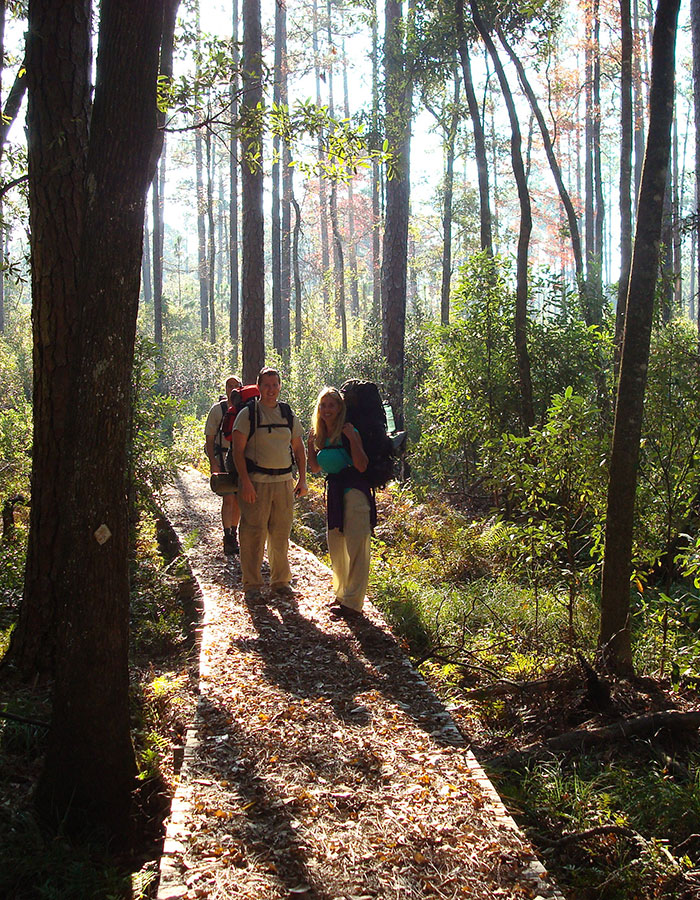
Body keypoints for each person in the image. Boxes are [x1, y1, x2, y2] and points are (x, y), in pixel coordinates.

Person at [232, 367, 307, 600]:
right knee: (253, 533)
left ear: (280, 386)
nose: (271, 390)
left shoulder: (287, 413)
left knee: (281, 533)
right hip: (257, 482)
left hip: (284, 482)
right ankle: (252, 585)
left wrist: (302, 478)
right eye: (266, 385)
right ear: (259, 387)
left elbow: (298, 447)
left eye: (275, 385)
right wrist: (245, 482)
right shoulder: (249, 414)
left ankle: (281, 581)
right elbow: (238, 449)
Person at [307, 386, 375, 619]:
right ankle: (341, 594)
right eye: (323, 405)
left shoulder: (348, 430)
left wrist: (354, 439)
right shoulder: (322, 435)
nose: (327, 410)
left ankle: (353, 604)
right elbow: (315, 468)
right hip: (336, 493)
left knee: (357, 546)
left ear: (340, 408)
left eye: (332, 405)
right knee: (336, 544)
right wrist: (309, 447)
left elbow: (362, 465)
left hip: (354, 492)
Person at [205, 375, 242, 555]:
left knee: (237, 500)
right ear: (225, 388)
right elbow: (209, 439)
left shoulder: (245, 408)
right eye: (229, 386)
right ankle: (228, 536)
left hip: (240, 460)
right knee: (228, 498)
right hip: (223, 458)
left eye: (236, 386)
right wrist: (214, 463)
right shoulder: (217, 410)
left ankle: (233, 533)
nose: (232, 389)